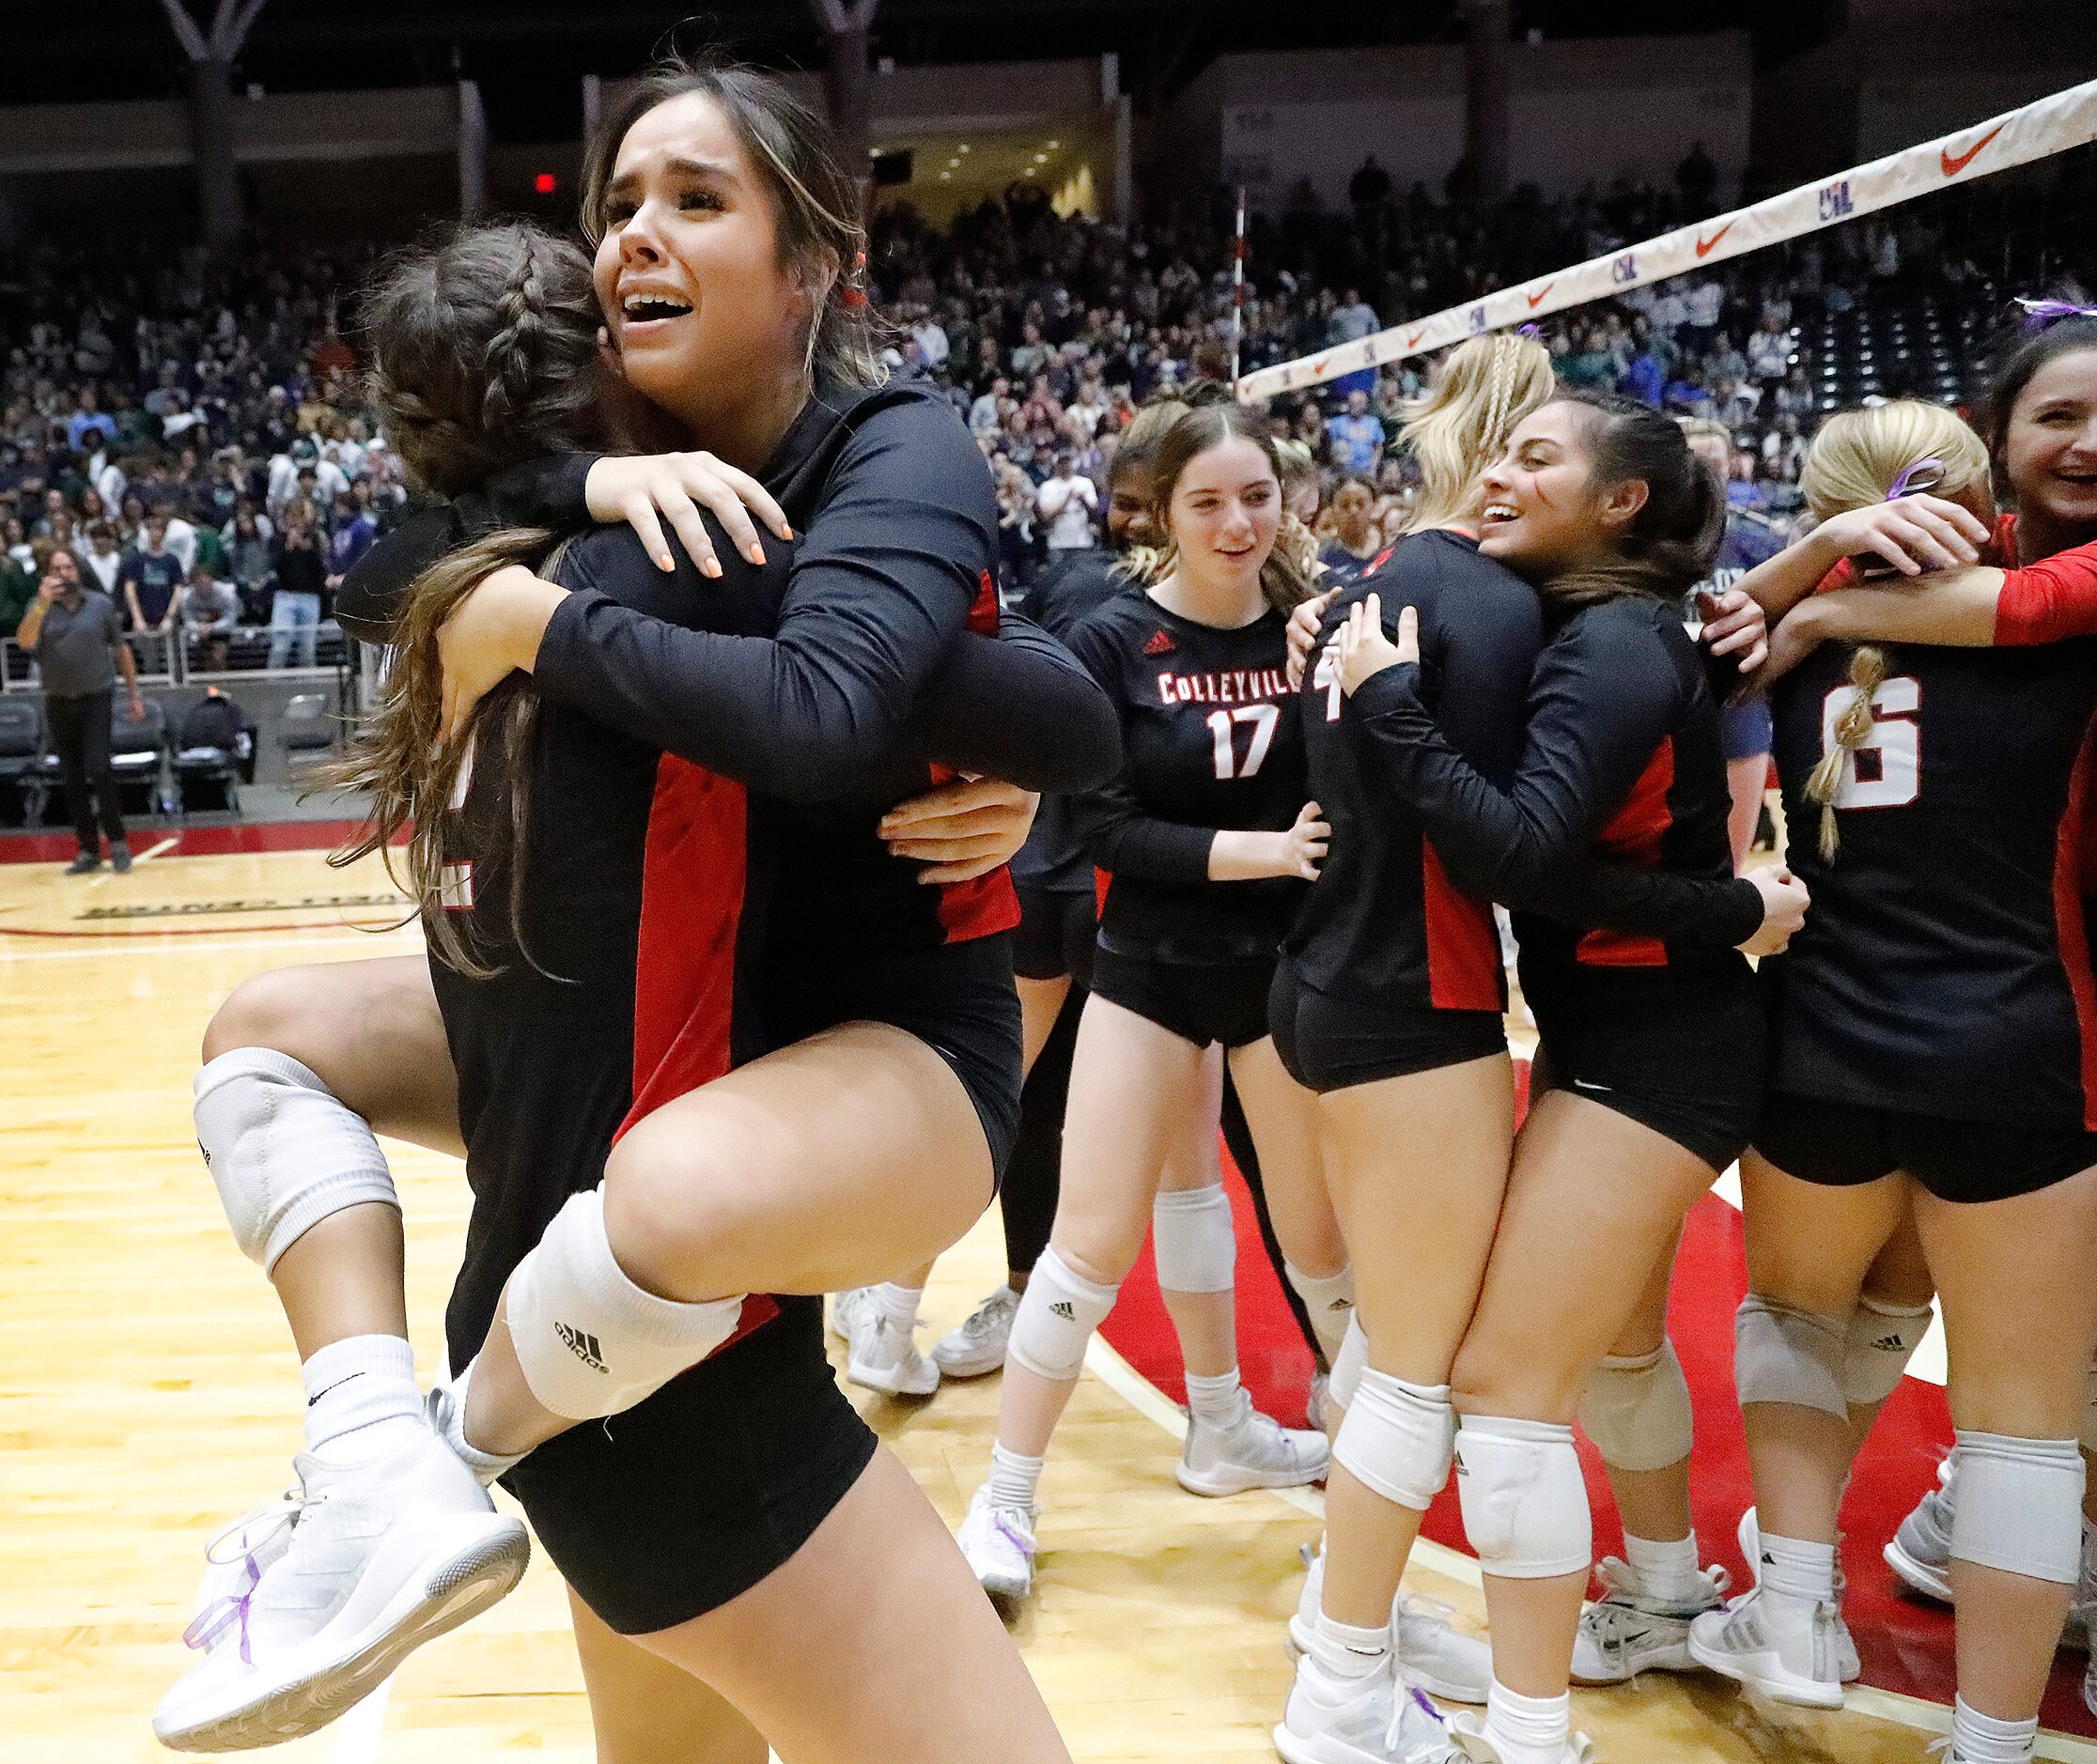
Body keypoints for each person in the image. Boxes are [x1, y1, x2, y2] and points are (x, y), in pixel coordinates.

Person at [154, 64, 1093, 1761]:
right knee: (274, 1031)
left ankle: (440, 1452)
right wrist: (565, 523)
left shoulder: (884, 450)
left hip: (863, 1072)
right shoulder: (607, 488)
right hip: (661, 1190)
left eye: (695, 199)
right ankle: (382, 1447)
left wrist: (532, 617)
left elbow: (971, 703)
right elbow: (390, 558)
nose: (632, 235)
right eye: (616, 204)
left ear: (813, 265)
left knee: (663, 1191)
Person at [1267, 333, 1784, 1763]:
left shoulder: (1600, 636)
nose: (1501, 471)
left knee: (1486, 1388)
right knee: (1481, 1369)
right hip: (1549, 1030)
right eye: (1501, 450)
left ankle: (1493, 1710)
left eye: (1537, 458)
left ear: (1618, 503)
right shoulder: (1557, 616)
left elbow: (1531, 859)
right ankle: (1406, 1676)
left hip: (1648, 1049)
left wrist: (1381, 690)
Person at [1685, 382, 2097, 1764]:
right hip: (2024, 1052)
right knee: (2024, 1427)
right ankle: (1990, 1740)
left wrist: (1809, 581)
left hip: (1819, 1045)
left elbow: (1701, 633)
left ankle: (1797, 1610)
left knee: (1799, 1318)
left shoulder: (1776, 654)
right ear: (1983, 493)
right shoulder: (2055, 629)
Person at [955, 402, 1345, 1606]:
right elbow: (1109, 825)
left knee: (1323, 1259)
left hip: (1282, 984)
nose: (1237, 523)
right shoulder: (1120, 637)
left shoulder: (1318, 634)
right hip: (1151, 972)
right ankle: (1005, 1499)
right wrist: (1265, 854)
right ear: (1164, 512)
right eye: (1208, 502)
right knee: (1085, 1248)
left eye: (1257, 498)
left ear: (1288, 501)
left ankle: (1259, 1458)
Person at [1681, 416, 1788, 867]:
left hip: (1739, 704)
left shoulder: (1758, 541)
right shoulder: (1646, 546)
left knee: (1732, 860)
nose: (1705, 470)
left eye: (1714, 460)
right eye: (1693, 460)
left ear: (1731, 466)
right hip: (1665, 702)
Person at [14, 545, 139, 874]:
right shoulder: (39, 608)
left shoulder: (99, 605)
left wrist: (134, 694)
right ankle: (87, 850)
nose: (63, 574)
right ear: (48, 574)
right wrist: (41, 603)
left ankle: (117, 841)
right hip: (58, 701)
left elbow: (122, 649)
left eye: (68, 567)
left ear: (78, 570)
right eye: (56, 569)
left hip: (96, 698)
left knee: (99, 768)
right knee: (71, 778)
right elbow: (25, 642)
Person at [267, 510, 326, 669]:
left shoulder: (315, 539)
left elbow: (321, 570)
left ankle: (309, 688)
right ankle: (272, 684)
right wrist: (288, 547)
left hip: (310, 597)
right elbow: (274, 567)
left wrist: (308, 549)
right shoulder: (278, 540)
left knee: (307, 648)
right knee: (281, 644)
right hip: (285, 596)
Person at [1318, 476, 1387, 587]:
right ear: (1331, 511)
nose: (1353, 511)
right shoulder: (1323, 559)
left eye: (1360, 504)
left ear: (1375, 506)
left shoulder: (1391, 549)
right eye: (1345, 506)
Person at [1037, 449, 1099, 555]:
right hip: (1058, 542)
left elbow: (1094, 509)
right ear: (1056, 465)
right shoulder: (1047, 486)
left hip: (1082, 540)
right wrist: (1067, 499)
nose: (1065, 466)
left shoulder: (1085, 482)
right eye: (1061, 463)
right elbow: (1045, 513)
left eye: (1067, 462)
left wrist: (1082, 499)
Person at [1328, 389, 1384, 477]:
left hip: (1367, 470)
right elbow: (1333, 446)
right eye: (1353, 403)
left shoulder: (1373, 423)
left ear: (1365, 405)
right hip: (1344, 470)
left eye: (1359, 403)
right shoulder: (1337, 423)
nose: (1355, 406)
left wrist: (1373, 468)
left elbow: (1378, 447)